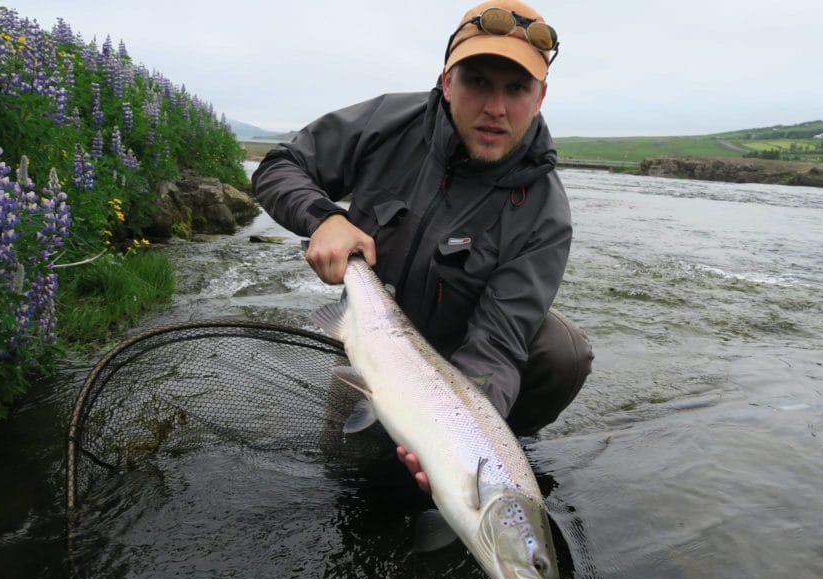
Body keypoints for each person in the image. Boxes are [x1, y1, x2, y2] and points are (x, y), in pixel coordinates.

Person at [252, 0, 593, 492]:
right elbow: (280, 166)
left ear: (540, 98)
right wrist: (324, 218)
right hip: (370, 338)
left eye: (516, 89)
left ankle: (505, 449)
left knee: (564, 353)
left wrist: (466, 447)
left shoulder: (545, 213)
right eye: (478, 82)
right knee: (345, 483)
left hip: (463, 360)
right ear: (447, 81)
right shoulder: (388, 123)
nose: (495, 109)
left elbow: (497, 346)